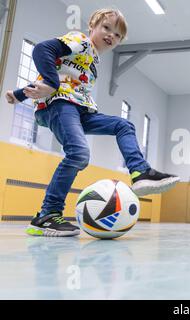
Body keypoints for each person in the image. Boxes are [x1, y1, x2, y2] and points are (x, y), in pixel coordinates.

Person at [4, 9, 179, 237]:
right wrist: (50, 82)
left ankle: (139, 172)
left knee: (123, 125)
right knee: (78, 154)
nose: (111, 36)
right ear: (92, 27)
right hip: (60, 105)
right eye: (106, 28)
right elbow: (42, 50)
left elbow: (63, 73)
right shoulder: (80, 40)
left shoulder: (94, 61)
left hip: (79, 110)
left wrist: (19, 94)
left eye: (117, 35)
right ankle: (47, 216)